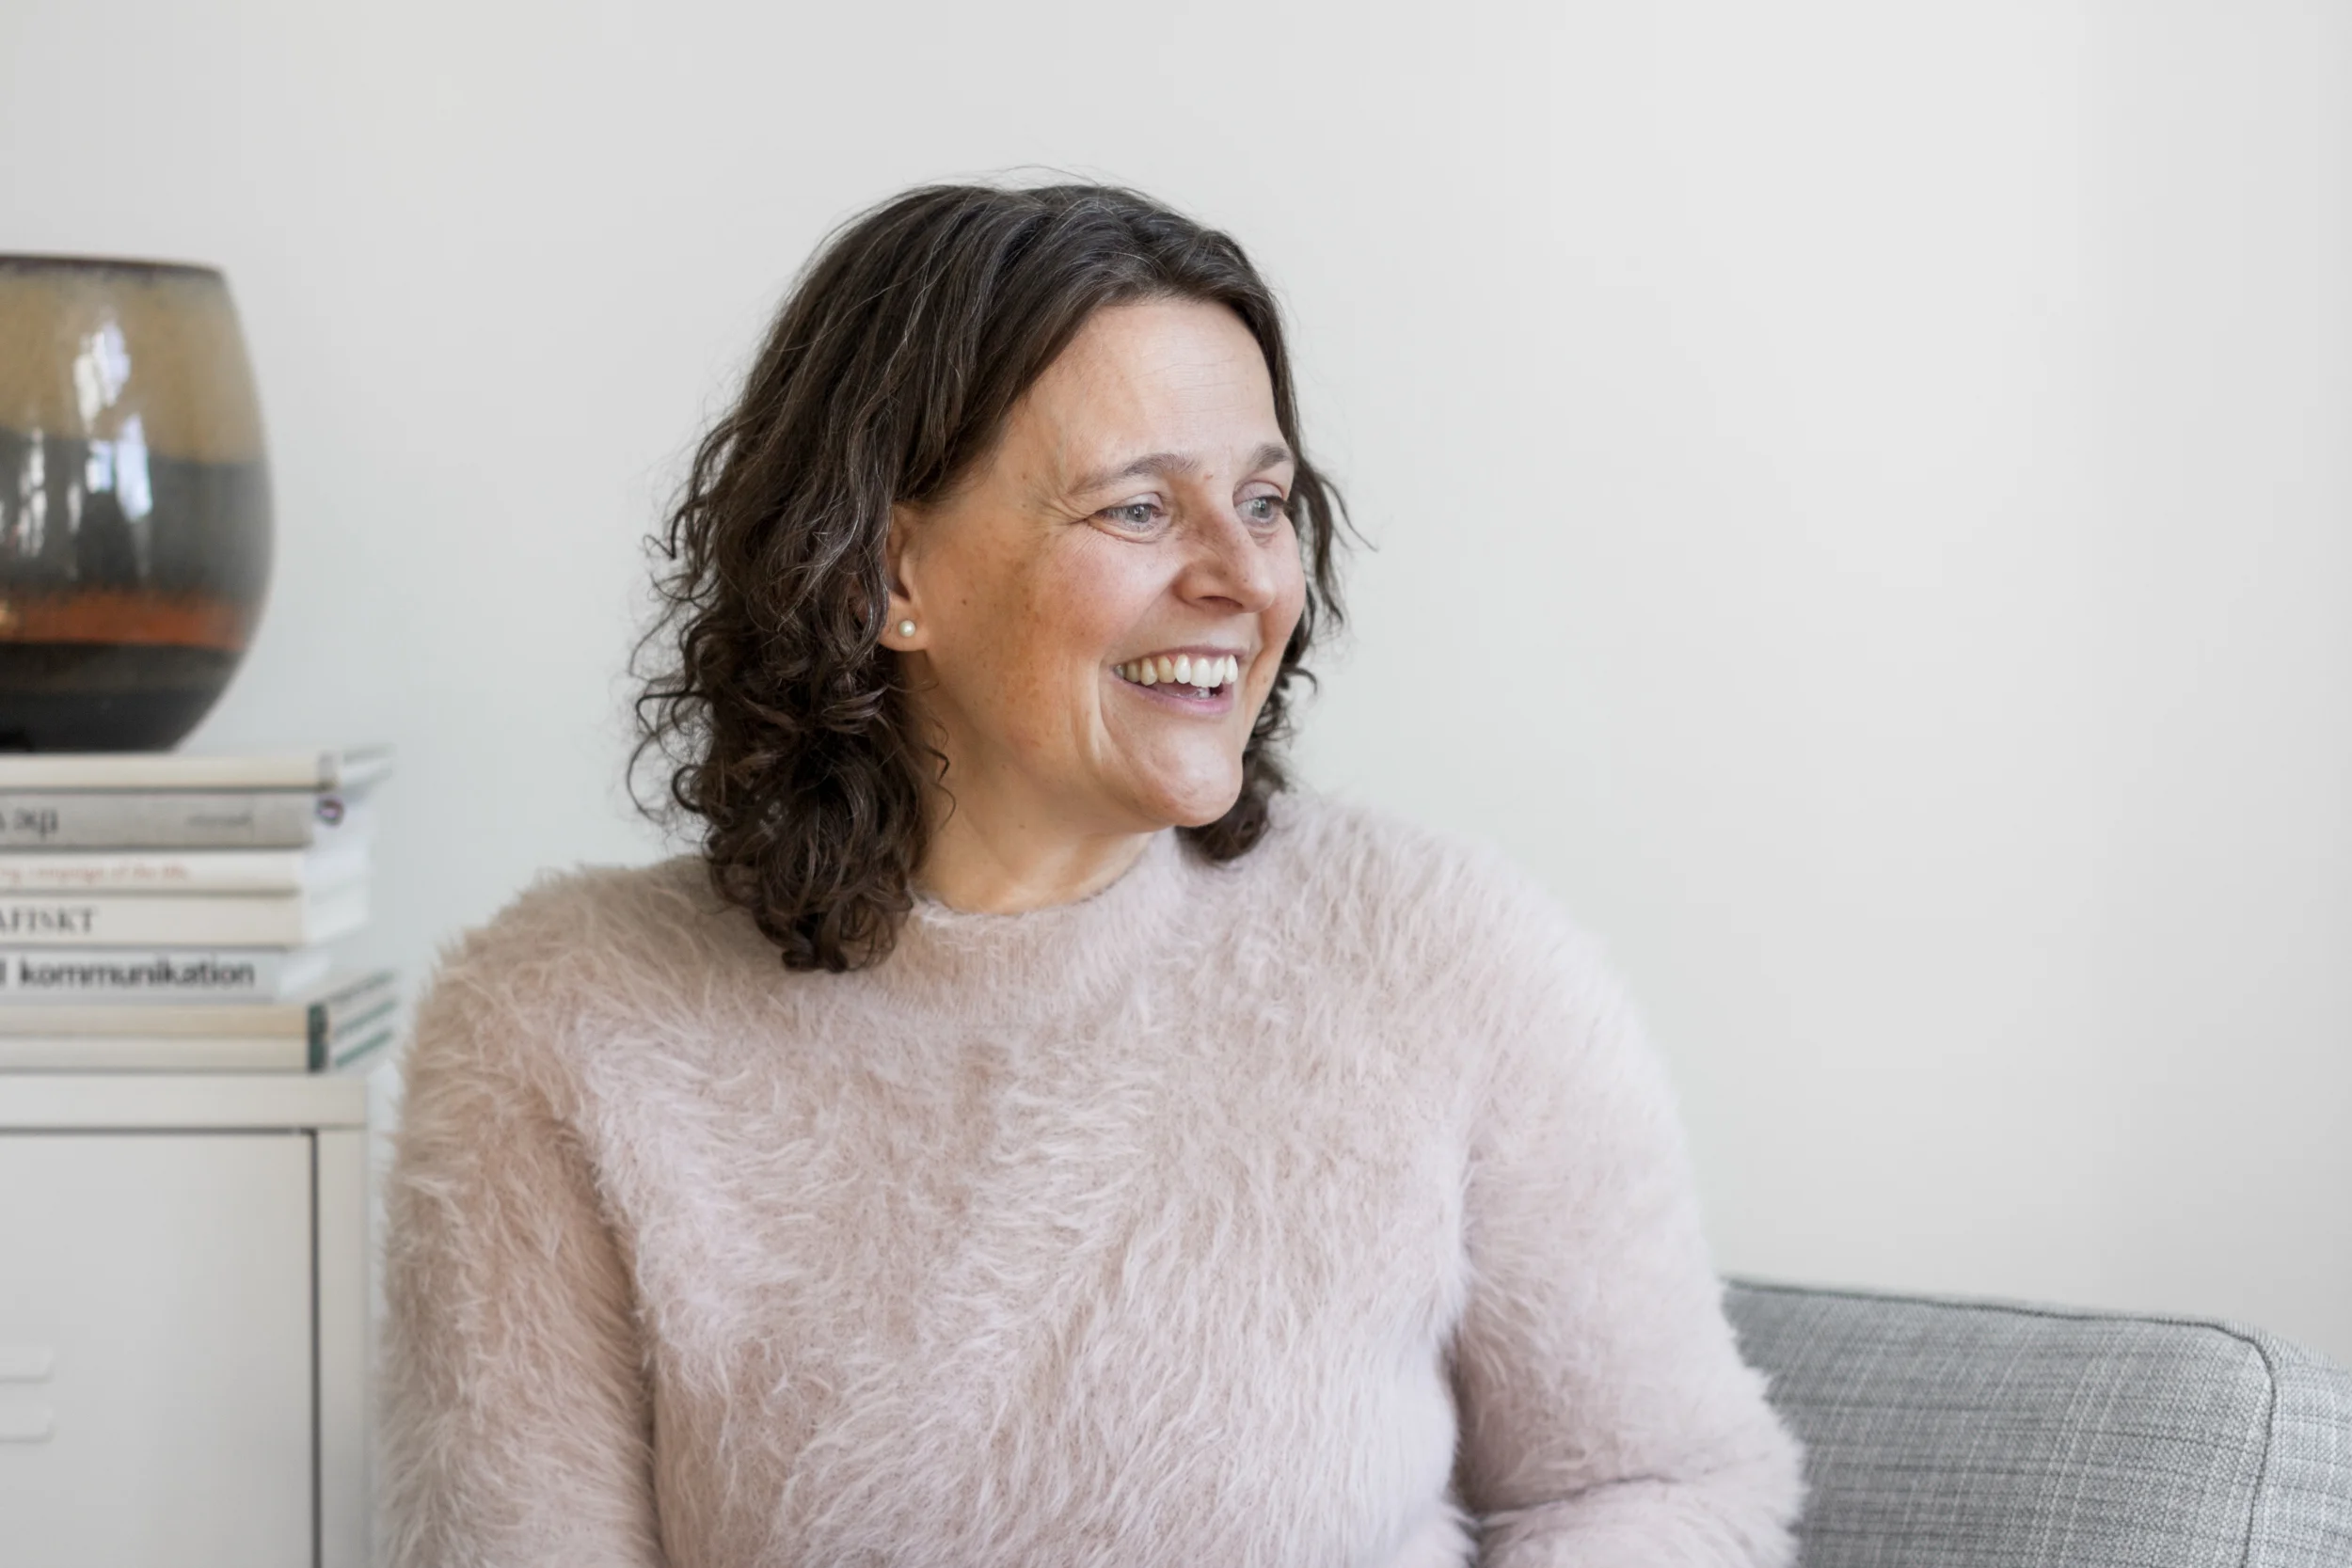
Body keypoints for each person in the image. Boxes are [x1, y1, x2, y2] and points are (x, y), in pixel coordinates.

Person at [378, 182, 1804, 1568]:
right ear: (887, 575)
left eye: (1264, 501)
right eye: (1137, 510)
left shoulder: (1447, 957)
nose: (1245, 577)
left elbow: (1661, 1482)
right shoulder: (557, 1027)